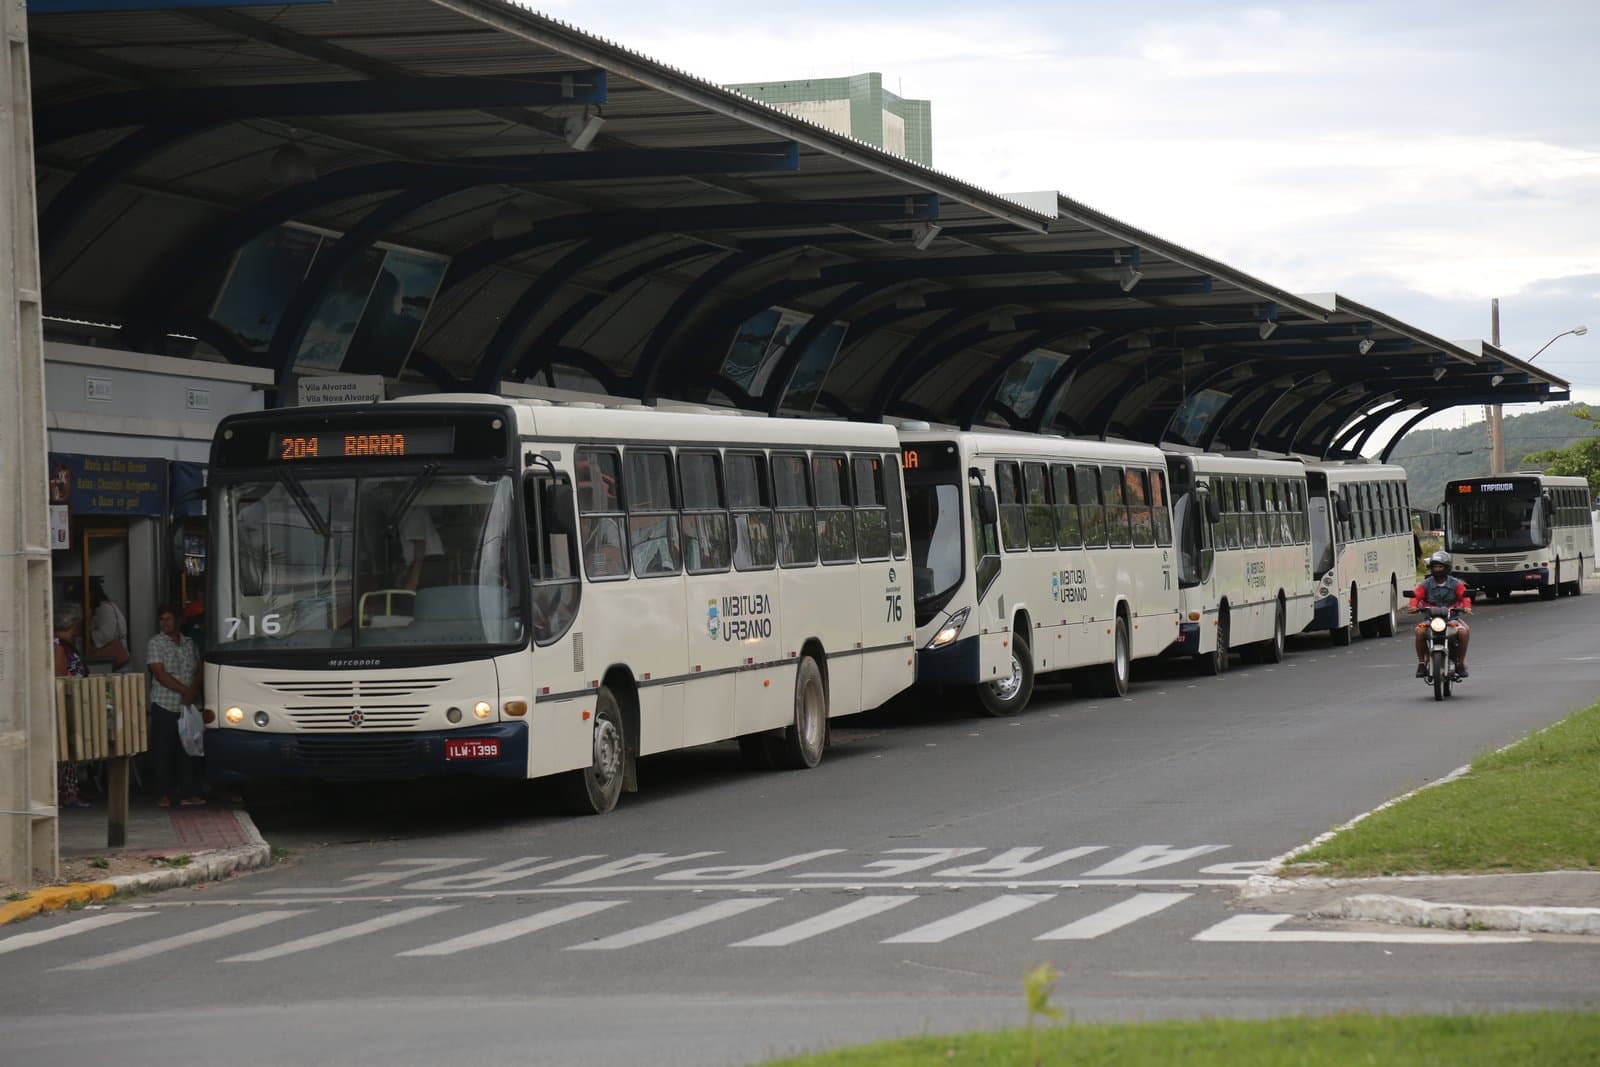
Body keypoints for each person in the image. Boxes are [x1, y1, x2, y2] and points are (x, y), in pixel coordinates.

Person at [146, 603, 204, 806]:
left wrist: (193, 691)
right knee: (163, 750)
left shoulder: (189, 643)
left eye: (168, 619)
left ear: (178, 621)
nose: (165, 623)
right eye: (162, 619)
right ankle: (163, 794)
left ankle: (188, 792)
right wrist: (186, 691)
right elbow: (160, 674)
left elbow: (199, 669)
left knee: (188, 749)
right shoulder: (156, 643)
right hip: (165, 703)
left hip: (187, 706)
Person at [52, 604, 92, 808]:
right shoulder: (58, 645)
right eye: (77, 626)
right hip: (64, 704)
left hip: (70, 702)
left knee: (67, 748)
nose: (78, 631)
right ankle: (67, 793)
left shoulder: (62, 644)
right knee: (65, 748)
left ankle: (68, 791)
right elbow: (59, 676)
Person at [1409, 550, 1472, 679]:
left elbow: (1465, 596)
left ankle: (1460, 663)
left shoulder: (1456, 583)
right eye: (1435, 567)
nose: (1437, 569)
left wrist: (1466, 607)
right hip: (1430, 620)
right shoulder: (1425, 584)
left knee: (1464, 632)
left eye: (1440, 566)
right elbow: (1416, 596)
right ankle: (1422, 663)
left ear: (1447, 567)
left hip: (1451, 620)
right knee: (1419, 631)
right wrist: (1413, 606)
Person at [88, 578, 131, 672]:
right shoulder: (109, 606)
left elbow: (106, 634)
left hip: (114, 658)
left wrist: (89, 634)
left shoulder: (104, 608)